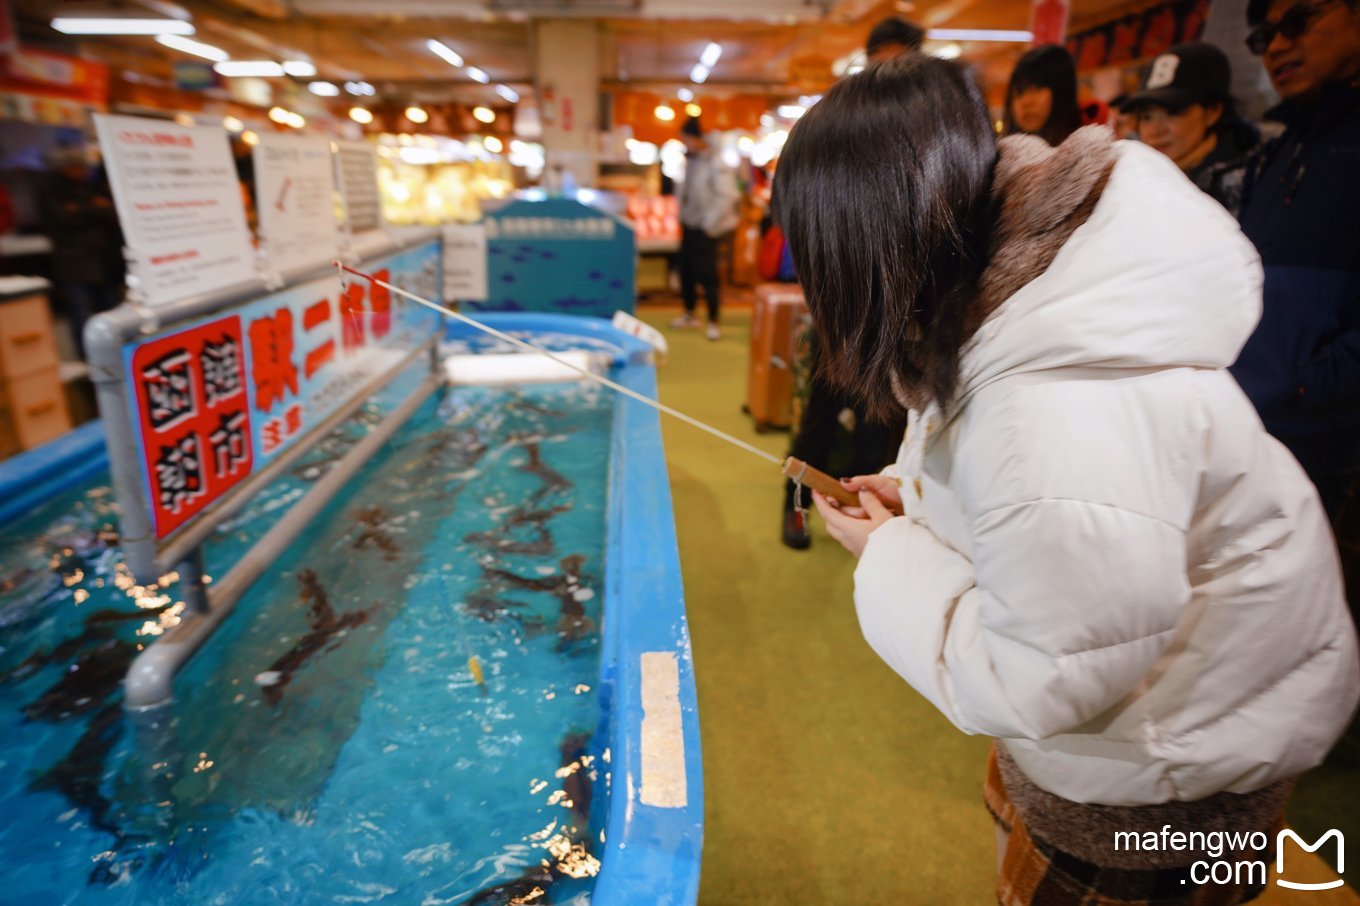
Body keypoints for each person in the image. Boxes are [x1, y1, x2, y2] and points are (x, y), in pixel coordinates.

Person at [777, 55, 1358, 903]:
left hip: (1169, 786)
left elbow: (1041, 671)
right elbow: (1037, 522)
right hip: (1163, 727)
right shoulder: (1010, 288)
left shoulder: (1049, 410)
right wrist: (929, 503)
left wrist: (891, 553)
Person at [780, 16, 922, 549]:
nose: (891, 72)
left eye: (901, 61)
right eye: (881, 60)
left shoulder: (929, 140)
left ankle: (865, 514)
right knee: (818, 416)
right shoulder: (846, 127)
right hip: (839, 311)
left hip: (900, 320)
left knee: (878, 425)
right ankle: (793, 510)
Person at [1231, 0, 1360, 520]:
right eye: (1265, 38)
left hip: (1335, 457)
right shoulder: (1281, 150)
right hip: (1254, 440)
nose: (1279, 46)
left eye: (1298, 22)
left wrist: (1311, 382)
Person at [1123, 43, 1259, 214]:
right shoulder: (1132, 180)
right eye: (1146, 117)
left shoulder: (1246, 184)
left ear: (1212, 111)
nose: (1154, 131)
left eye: (1173, 113)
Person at [38, 145, 124, 359]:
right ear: (66, 168)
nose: (82, 171)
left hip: (102, 262)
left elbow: (109, 210)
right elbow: (64, 218)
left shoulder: (88, 187)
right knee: (81, 314)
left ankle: (117, 355)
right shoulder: (51, 189)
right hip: (73, 263)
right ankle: (89, 361)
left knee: (111, 313)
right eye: (77, 167)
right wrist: (93, 208)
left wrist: (82, 208)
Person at [671, 116, 739, 341]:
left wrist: (709, 224)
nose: (684, 143)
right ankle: (690, 313)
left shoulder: (716, 162)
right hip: (689, 224)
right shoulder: (690, 160)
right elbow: (684, 191)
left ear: (697, 138)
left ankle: (713, 320)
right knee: (686, 270)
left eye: (686, 138)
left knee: (708, 274)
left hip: (707, 228)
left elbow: (726, 197)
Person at [1003, 45, 1083, 146]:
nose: (1026, 102)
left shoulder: (1090, 153)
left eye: (1037, 89)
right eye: (1019, 93)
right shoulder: (1002, 156)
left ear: (1062, 91)